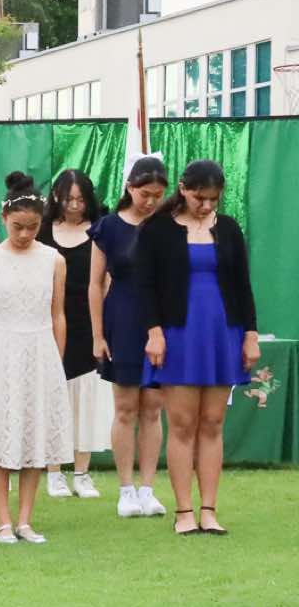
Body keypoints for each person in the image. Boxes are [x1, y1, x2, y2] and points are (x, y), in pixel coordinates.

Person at [137, 159, 258, 537]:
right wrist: (154, 332)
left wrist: (250, 335)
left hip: (223, 332)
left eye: (213, 199)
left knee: (213, 423)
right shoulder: (157, 228)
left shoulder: (230, 229)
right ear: (183, 189)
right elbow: (146, 286)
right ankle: (184, 511)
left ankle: (209, 510)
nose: (206, 206)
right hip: (178, 334)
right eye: (199, 198)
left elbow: (243, 285)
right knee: (182, 424)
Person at [0, 174, 73, 545]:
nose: (25, 234)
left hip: (41, 351)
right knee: (0, 435)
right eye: (18, 227)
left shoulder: (54, 260)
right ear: (4, 218)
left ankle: (25, 520)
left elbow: (58, 314)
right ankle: (3, 521)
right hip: (2, 352)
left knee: (35, 436)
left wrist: (56, 362)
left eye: (33, 227)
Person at [91, 156, 170, 519]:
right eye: (144, 193)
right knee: (125, 408)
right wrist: (98, 335)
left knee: (153, 408)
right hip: (121, 319)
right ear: (129, 187)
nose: (150, 201)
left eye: (157, 195)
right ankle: (125, 490)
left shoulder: (168, 226)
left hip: (162, 323)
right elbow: (95, 285)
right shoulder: (108, 226)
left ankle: (148, 489)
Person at [39, 170, 109, 500]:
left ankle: (82, 473)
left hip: (88, 321)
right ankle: (53, 472)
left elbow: (105, 280)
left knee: (87, 400)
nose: (75, 206)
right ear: (57, 198)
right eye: (69, 200)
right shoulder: (42, 230)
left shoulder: (99, 230)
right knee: (54, 397)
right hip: (48, 322)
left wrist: (101, 327)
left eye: (81, 200)